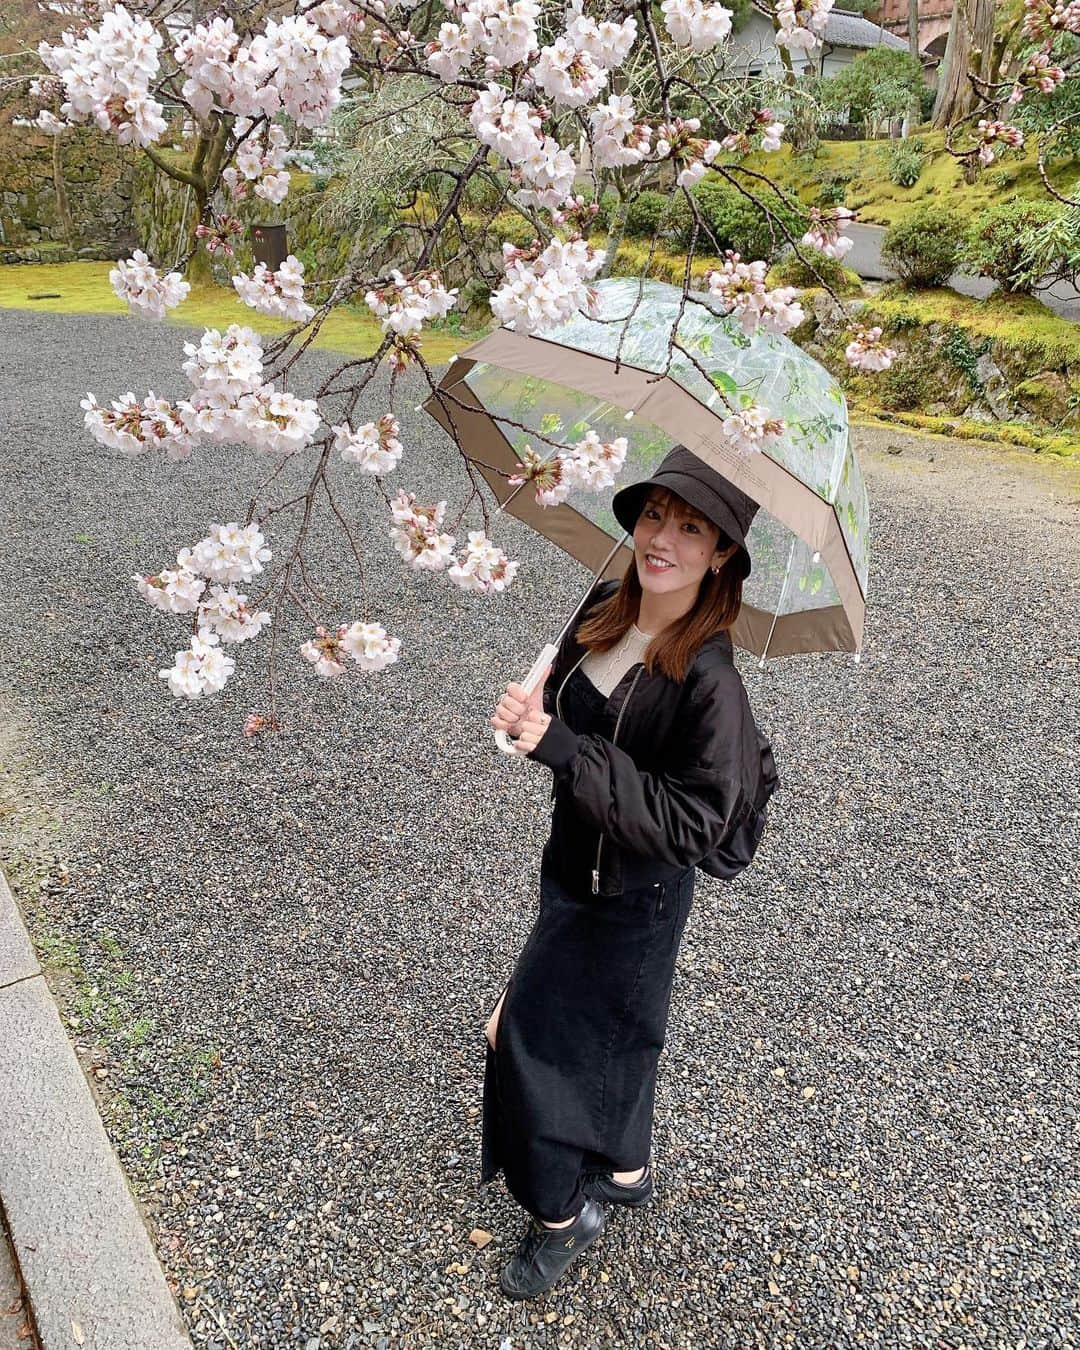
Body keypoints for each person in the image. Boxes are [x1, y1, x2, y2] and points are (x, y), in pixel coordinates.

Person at [485, 446, 779, 1300]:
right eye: (656, 515)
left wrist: (564, 750)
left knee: (522, 1038)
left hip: (635, 897)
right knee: (625, 1028)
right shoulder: (609, 606)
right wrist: (533, 718)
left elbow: (694, 822)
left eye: (692, 530)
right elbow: (568, 724)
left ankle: (558, 1213)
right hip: (574, 863)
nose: (664, 540)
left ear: (722, 555)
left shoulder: (713, 682)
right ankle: (624, 1170)